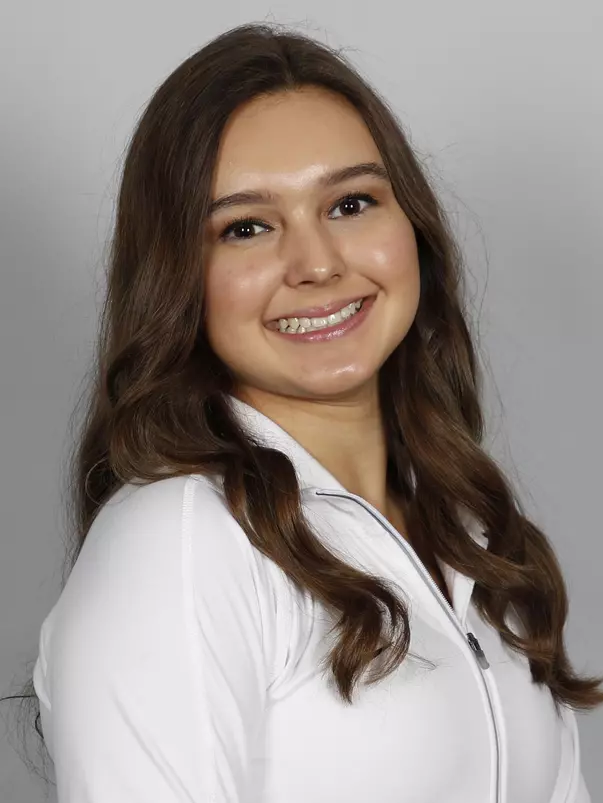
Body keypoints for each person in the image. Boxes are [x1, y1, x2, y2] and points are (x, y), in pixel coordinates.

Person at [22, 21, 603, 803]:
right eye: (247, 227)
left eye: (351, 202)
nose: (317, 263)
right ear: (177, 278)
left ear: (413, 231)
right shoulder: (183, 539)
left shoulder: (474, 533)